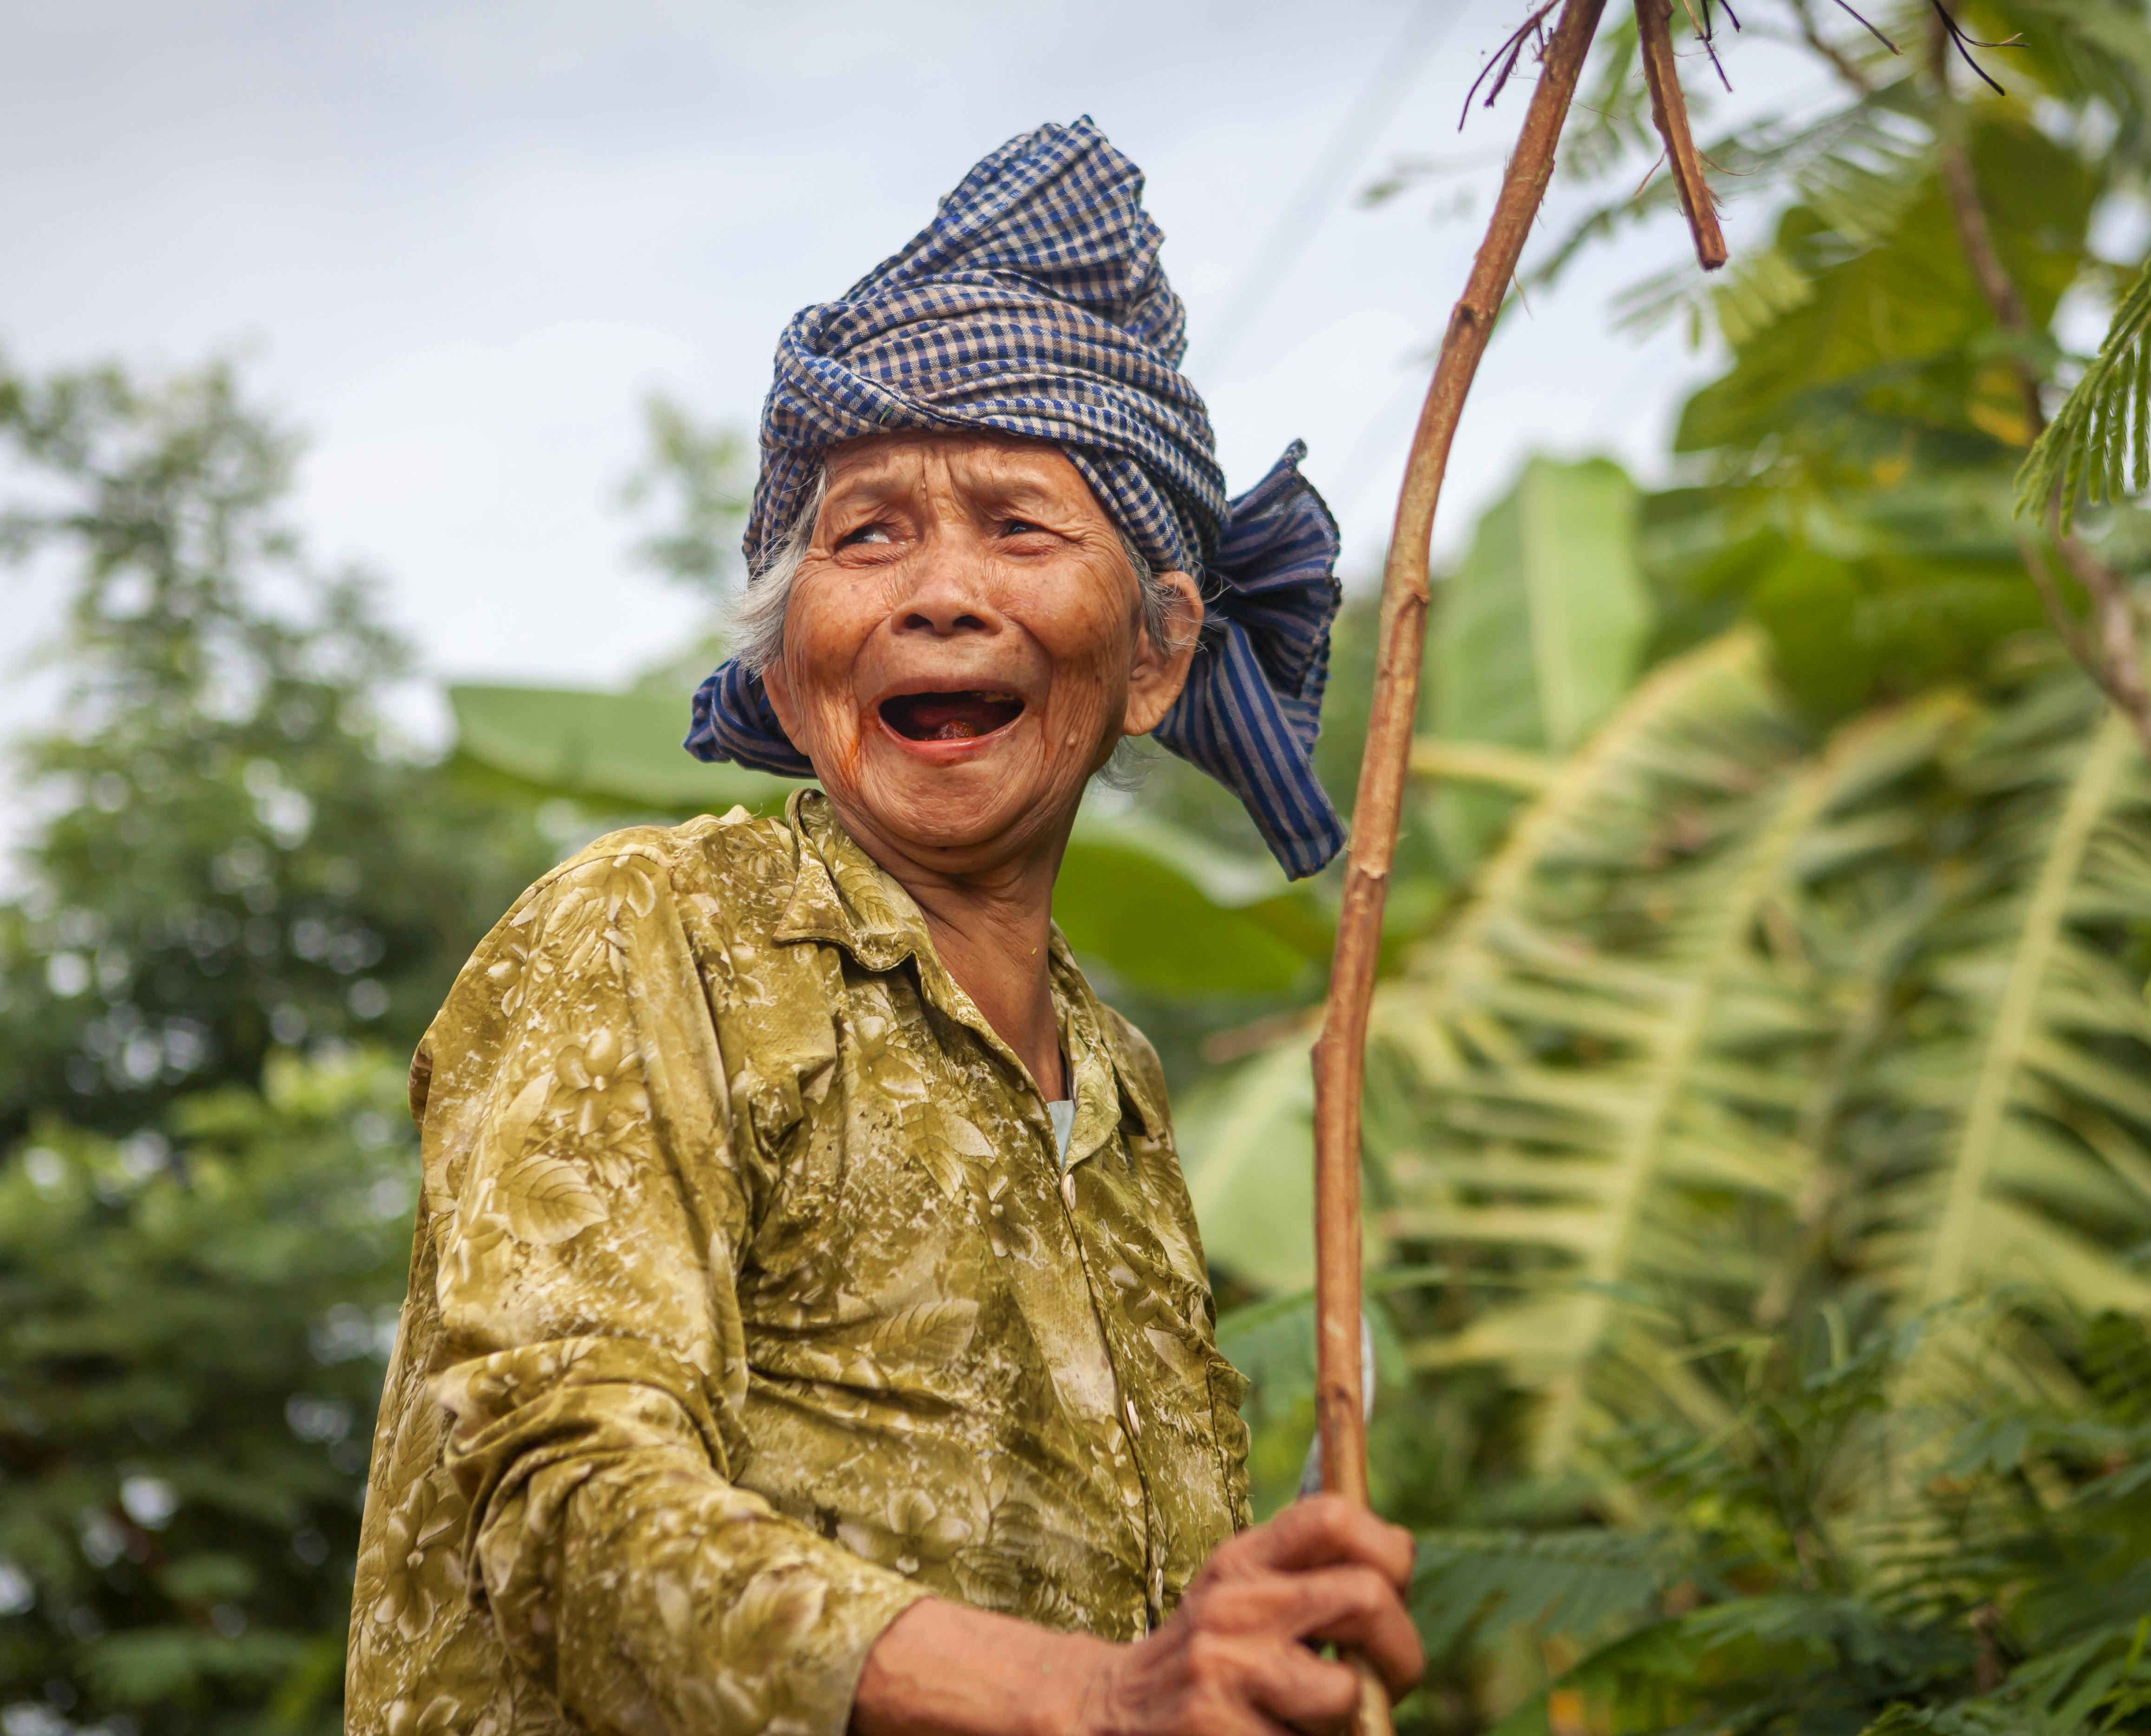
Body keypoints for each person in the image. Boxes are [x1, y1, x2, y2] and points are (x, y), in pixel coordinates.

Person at [346, 118, 1422, 1736]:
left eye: (1016, 523)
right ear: (790, 671)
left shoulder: (1119, 1091)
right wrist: (1113, 1696)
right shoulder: (654, 931)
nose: (936, 592)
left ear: (1154, 657)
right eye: (867, 536)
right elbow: (563, 1504)